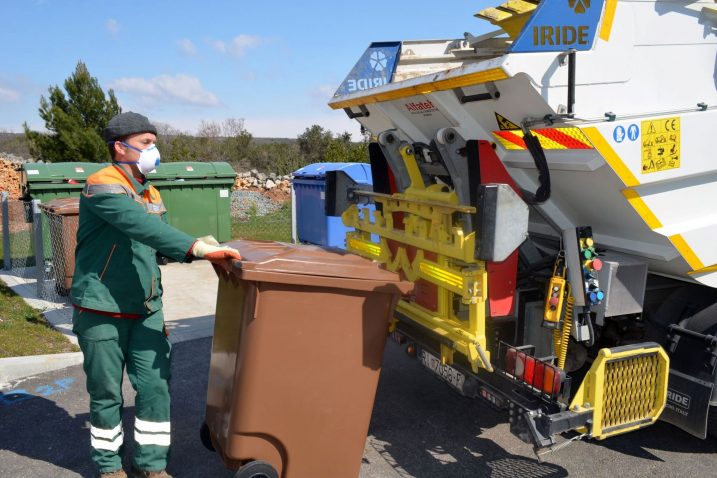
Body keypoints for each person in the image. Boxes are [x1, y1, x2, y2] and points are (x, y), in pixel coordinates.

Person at [70, 111, 242, 478]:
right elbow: (142, 227)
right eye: (146, 143)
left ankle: (151, 465)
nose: (154, 150)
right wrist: (196, 247)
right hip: (101, 309)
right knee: (106, 395)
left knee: (155, 388)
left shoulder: (149, 190)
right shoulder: (101, 185)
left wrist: (205, 250)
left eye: (153, 142)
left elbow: (158, 243)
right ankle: (109, 466)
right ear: (120, 147)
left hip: (146, 308)